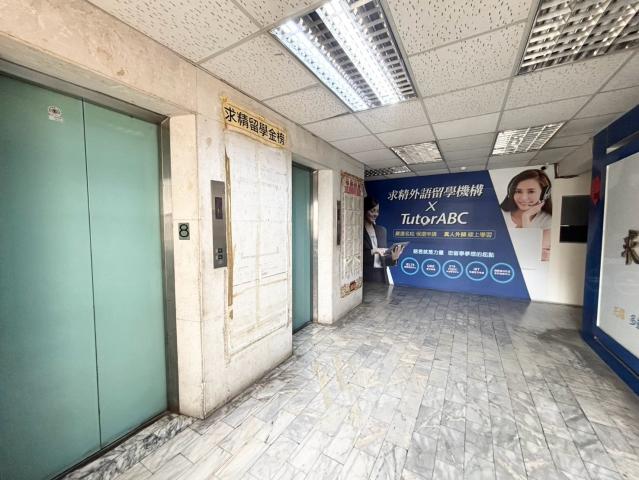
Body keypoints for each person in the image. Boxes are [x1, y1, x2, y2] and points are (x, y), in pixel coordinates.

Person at [500, 169, 552, 261]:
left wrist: (526, 217)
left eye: (531, 191)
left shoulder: (547, 221)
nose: (524, 197)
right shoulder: (500, 214)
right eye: (518, 191)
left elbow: (530, 254)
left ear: (544, 195)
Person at [363, 196, 405, 283]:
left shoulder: (382, 230)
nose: (376, 214)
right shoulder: (357, 231)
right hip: (365, 277)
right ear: (364, 210)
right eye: (372, 211)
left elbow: (384, 258)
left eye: (377, 211)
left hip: (382, 277)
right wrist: (373, 251)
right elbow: (357, 257)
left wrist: (393, 258)